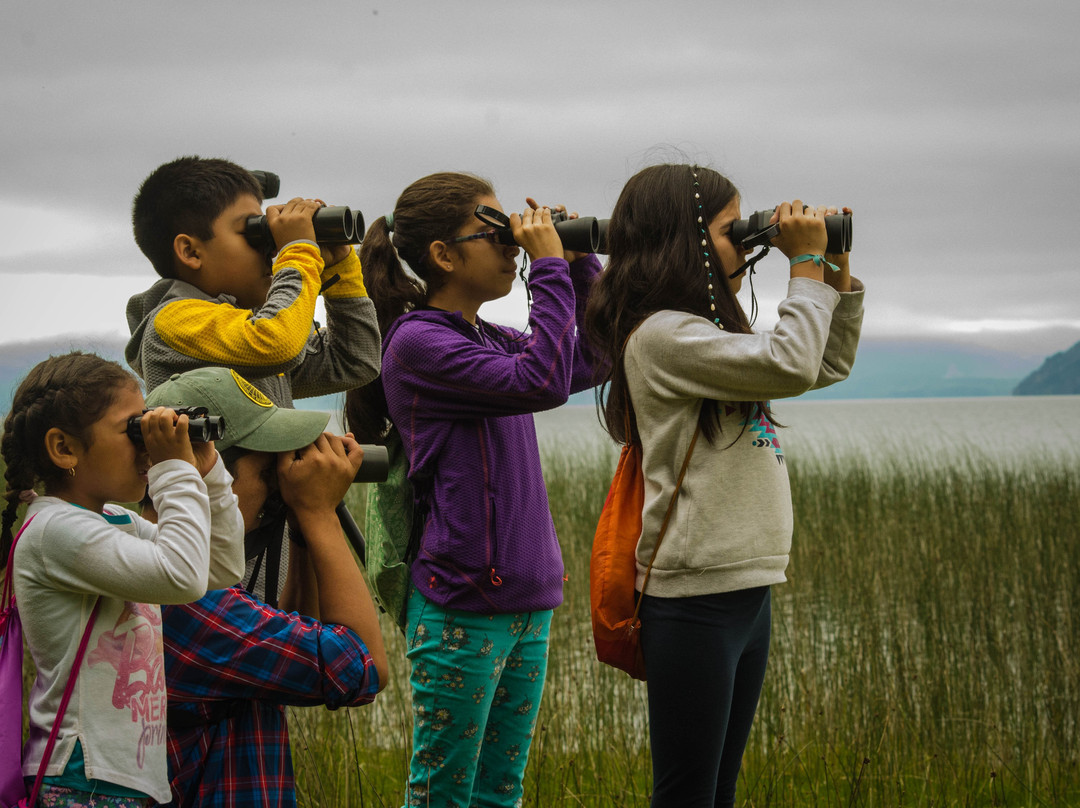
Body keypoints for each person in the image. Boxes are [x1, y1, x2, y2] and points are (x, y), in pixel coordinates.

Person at [583, 163, 865, 808]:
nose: (745, 240)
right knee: (688, 792)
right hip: (693, 595)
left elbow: (824, 362)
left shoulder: (703, 335)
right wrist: (805, 263)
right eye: (730, 228)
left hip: (744, 586)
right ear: (683, 242)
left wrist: (833, 269)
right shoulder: (662, 336)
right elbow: (792, 364)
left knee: (719, 789)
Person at [344, 172, 602, 806]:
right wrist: (547, 268)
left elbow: (592, 358)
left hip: (526, 599)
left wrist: (576, 265)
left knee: (499, 793)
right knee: (443, 795)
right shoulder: (418, 344)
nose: (512, 245)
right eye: (494, 232)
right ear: (443, 254)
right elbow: (542, 381)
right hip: (461, 604)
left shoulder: (487, 338)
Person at [1, 352, 245, 807]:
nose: (146, 446)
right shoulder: (55, 531)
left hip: (119, 779)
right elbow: (182, 576)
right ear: (65, 448)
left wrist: (207, 472)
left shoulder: (115, 520)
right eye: (133, 430)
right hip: (82, 779)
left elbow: (218, 567)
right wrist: (174, 470)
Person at [141, 366, 389, 808]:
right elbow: (362, 667)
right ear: (209, 472)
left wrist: (303, 529)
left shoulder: (165, 569)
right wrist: (319, 513)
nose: (279, 480)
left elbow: (302, 634)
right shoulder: (186, 601)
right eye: (267, 469)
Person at [125, 155, 380, 405]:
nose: (271, 248)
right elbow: (277, 343)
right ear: (191, 252)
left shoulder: (246, 331)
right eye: (251, 231)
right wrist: (299, 250)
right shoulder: (175, 322)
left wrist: (339, 267)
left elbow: (354, 361)